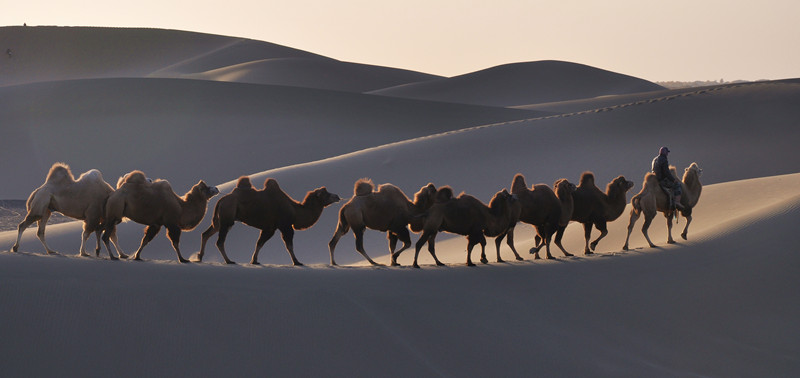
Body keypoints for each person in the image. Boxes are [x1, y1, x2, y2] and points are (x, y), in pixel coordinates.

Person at [652, 146, 684, 211]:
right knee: (678, 185)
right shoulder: (664, 160)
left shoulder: (655, 159)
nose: (667, 154)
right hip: (662, 180)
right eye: (667, 152)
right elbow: (666, 172)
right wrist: (673, 179)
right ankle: (677, 202)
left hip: (656, 179)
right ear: (665, 153)